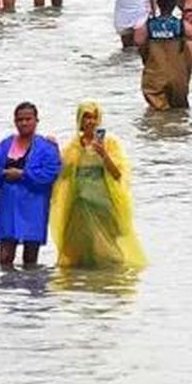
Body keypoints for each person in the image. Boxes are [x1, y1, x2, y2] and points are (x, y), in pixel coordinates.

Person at [50, 101, 146, 268]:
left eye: (95, 117)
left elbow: (118, 174)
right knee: (78, 251)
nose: (91, 122)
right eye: (87, 117)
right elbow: (62, 175)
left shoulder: (110, 144)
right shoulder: (73, 146)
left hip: (102, 203)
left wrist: (103, 154)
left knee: (109, 251)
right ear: (80, 120)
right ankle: (83, 285)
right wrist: (53, 149)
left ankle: (108, 282)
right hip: (79, 204)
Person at [0, 102, 62, 268]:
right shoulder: (6, 145)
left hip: (34, 206)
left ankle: (31, 288)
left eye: (28, 119)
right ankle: (6, 290)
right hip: (9, 205)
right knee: (5, 255)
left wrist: (23, 175)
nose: (24, 123)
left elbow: (52, 172)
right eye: (20, 119)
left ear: (36, 120)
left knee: (30, 257)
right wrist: (3, 174)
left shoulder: (46, 148)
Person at [133, 0, 192, 110]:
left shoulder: (148, 25)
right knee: (179, 111)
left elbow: (138, 41)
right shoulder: (180, 25)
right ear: (174, 4)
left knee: (157, 112)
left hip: (155, 75)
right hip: (178, 76)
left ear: (158, 3)